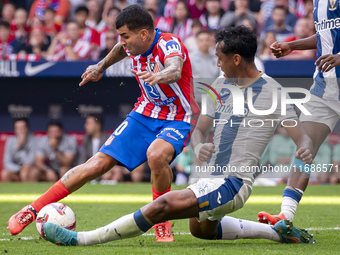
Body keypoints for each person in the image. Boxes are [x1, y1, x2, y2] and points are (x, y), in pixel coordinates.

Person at [41, 26, 316, 247]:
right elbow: (200, 127)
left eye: (220, 58)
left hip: (233, 182)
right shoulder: (221, 84)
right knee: (202, 231)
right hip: (209, 176)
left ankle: (82, 239)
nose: (216, 63)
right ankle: (278, 234)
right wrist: (198, 146)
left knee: (162, 206)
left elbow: (304, 140)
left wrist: (290, 199)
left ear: (236, 59)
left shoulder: (273, 92)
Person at [8, 4, 199, 244]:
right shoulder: (133, 45)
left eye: (125, 35)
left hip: (177, 116)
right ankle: (32, 209)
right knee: (95, 165)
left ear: (143, 34)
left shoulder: (168, 43)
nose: (121, 41)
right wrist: (101, 66)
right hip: (144, 113)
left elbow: (175, 67)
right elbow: (120, 49)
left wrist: (160, 75)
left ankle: (161, 220)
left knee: (156, 156)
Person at [258, 0, 340, 225]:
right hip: (325, 89)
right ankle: (286, 216)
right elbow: (326, 36)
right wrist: (293, 45)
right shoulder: (318, 3)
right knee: (304, 149)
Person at [1, 118, 38, 182]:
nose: (21, 131)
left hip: (29, 169)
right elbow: (6, 162)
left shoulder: (34, 140)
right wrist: (19, 168)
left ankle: (28, 191)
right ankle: (10, 192)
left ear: (27, 129)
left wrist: (20, 146)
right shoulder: (10, 141)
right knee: (4, 174)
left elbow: (29, 161)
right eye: (18, 128)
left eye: (22, 128)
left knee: (26, 173)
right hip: (16, 169)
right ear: (15, 130)